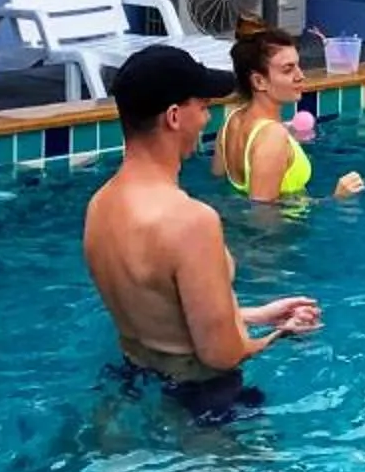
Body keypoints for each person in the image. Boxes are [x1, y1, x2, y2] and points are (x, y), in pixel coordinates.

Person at [82, 44, 322, 405]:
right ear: (175, 117)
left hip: (131, 386)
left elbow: (162, 317)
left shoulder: (100, 205)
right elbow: (221, 355)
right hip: (204, 407)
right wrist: (281, 335)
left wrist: (256, 315)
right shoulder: (191, 221)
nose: (208, 119)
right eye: (204, 107)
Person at [213, 28, 365, 203]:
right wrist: (335, 199)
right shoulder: (273, 136)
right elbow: (263, 218)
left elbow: (220, 186)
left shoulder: (230, 122)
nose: (300, 76)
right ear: (259, 81)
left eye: (298, 66)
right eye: (288, 70)